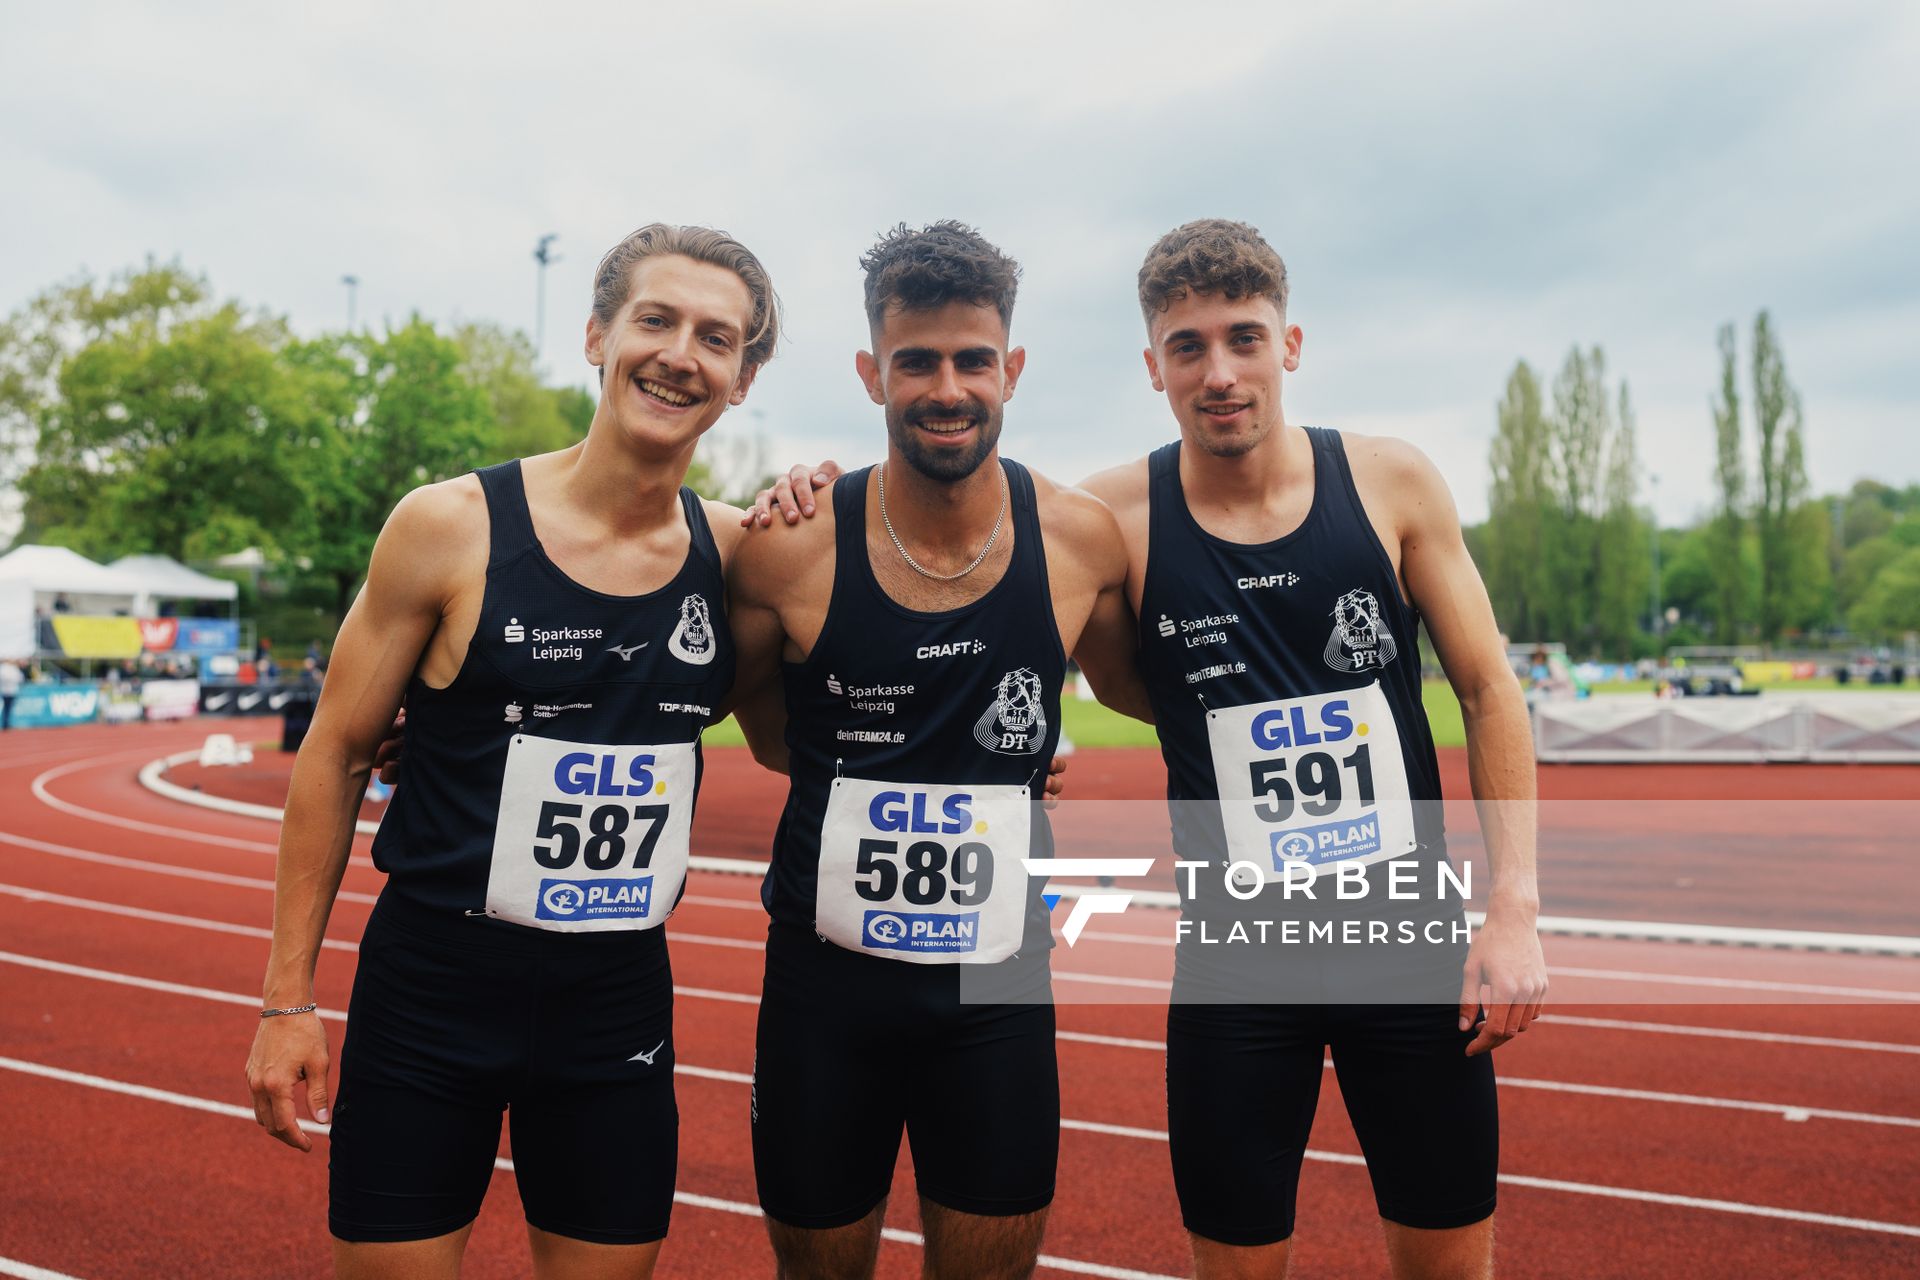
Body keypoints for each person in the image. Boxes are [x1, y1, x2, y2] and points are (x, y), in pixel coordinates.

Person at [756, 219, 1546, 1279]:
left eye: (1244, 339)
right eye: (1188, 347)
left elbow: (1491, 687)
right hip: (1237, 959)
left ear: (1290, 345)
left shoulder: (1392, 480)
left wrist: (1513, 908)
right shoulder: (1110, 518)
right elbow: (991, 607)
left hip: (1400, 933)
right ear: (1153, 366)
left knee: (1449, 1257)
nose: (1219, 373)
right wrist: (805, 485)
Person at [245, 224, 780, 1279]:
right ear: (596, 334)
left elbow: (813, 732)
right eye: (656, 320)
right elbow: (338, 752)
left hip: (615, 1002)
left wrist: (978, 758)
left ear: (742, 378)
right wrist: (286, 998)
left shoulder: (742, 552)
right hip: (434, 986)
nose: (681, 353)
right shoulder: (448, 527)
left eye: (716, 338)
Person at [726, 221, 1145, 1280]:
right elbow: (757, 727)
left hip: (994, 984)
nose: (945, 386)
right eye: (916, 361)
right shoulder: (790, 547)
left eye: (971, 359)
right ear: (873, 372)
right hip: (828, 989)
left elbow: (1179, 690)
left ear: (1011, 367)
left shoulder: (1081, 538)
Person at [0, 659, 21, 730]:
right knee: (7, 708)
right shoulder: (4, 668)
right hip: (6, 691)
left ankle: (6, 723)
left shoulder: (13, 668)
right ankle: (5, 723)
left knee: (8, 708)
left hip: (11, 691)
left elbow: (20, 678)